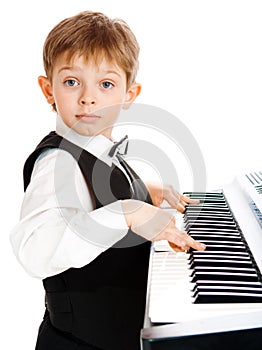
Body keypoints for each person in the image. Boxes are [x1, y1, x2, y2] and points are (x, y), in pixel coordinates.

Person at [10, 10, 206, 350]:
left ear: (129, 93)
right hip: (79, 342)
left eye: (106, 84)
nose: (88, 97)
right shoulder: (58, 162)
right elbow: (35, 250)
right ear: (48, 89)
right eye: (72, 82)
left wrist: (144, 193)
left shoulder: (100, 149)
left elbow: (96, 200)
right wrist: (127, 211)